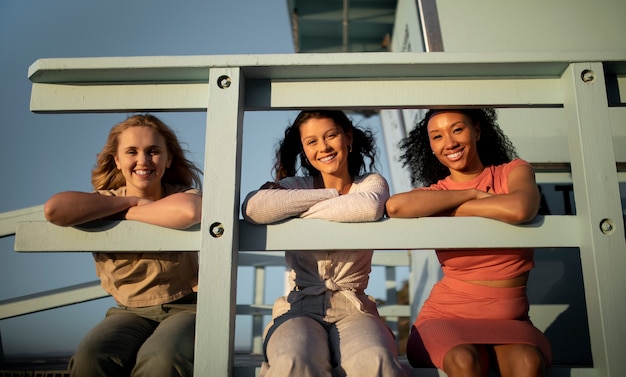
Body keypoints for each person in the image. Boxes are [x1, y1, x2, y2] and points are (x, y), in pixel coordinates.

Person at [386, 108, 552, 377]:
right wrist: (474, 195)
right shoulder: (438, 192)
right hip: (447, 317)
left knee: (527, 363)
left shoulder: (512, 171)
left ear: (477, 130)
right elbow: (395, 207)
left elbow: (521, 208)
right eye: (437, 136)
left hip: (510, 320)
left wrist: (453, 209)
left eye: (457, 129)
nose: (449, 142)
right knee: (465, 361)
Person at [242, 110, 407, 377]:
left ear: (348, 137)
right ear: (304, 149)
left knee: (375, 360)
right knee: (294, 359)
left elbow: (368, 207)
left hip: (354, 307)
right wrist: (331, 195)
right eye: (312, 142)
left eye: (331, 136)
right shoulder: (296, 183)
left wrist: (293, 209)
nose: (324, 148)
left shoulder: (370, 183)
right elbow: (253, 208)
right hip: (299, 306)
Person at [44, 114, 203, 377]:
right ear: (117, 160)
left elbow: (190, 211)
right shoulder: (106, 200)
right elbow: (55, 209)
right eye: (132, 152)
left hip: (186, 308)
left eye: (153, 151)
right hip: (127, 312)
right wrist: (129, 203)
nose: (143, 160)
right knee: (90, 359)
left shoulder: (180, 195)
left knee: (160, 361)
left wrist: (131, 212)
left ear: (169, 159)